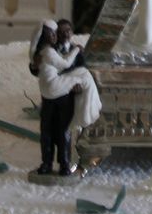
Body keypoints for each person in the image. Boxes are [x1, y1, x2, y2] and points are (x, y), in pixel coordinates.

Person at [29, 20, 102, 176]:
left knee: (64, 131)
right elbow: (38, 68)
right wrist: (34, 65)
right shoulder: (49, 49)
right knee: (46, 130)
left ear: (72, 32)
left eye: (68, 31)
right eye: (60, 32)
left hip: (66, 98)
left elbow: (83, 68)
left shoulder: (78, 52)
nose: (64, 34)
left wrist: (78, 86)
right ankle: (46, 163)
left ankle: (64, 163)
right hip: (49, 97)